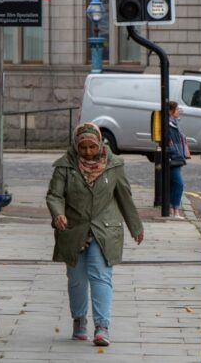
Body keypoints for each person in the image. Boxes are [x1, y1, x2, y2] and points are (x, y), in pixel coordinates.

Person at [46, 122, 144, 347]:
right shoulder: (64, 166)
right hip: (73, 228)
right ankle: (79, 320)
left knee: (100, 274)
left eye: (92, 147)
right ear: (76, 146)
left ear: (100, 144)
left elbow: (124, 198)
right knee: (77, 279)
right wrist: (58, 214)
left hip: (105, 229)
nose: (88, 152)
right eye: (83, 148)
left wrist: (135, 227)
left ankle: (102, 326)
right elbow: (54, 195)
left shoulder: (114, 165)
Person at [167, 101, 190, 219]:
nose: (178, 111)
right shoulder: (169, 125)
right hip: (173, 157)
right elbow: (169, 143)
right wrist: (175, 152)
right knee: (179, 184)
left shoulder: (175, 123)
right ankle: (175, 210)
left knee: (173, 184)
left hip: (178, 157)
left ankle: (172, 209)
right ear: (171, 111)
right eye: (177, 109)